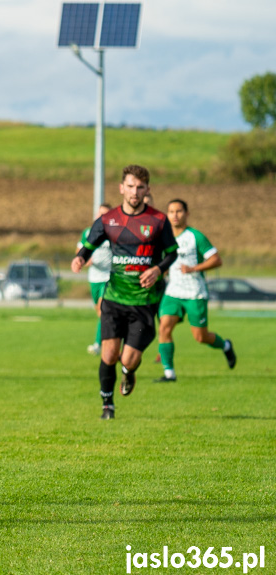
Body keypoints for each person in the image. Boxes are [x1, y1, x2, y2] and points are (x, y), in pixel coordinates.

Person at [71, 165, 178, 420]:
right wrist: (79, 258)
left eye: (140, 187)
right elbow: (88, 245)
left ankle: (129, 374)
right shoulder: (108, 220)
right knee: (109, 354)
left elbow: (172, 253)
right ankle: (107, 404)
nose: (135, 191)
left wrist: (157, 269)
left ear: (147, 190)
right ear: (121, 188)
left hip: (143, 302)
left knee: (128, 360)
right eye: (130, 186)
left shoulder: (158, 220)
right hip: (114, 299)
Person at [154, 199, 236, 382]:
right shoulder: (164, 236)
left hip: (194, 293)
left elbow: (216, 260)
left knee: (201, 336)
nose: (175, 215)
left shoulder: (195, 236)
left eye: (179, 211)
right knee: (164, 328)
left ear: (187, 214)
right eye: (171, 211)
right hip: (173, 292)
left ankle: (226, 345)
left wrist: (194, 268)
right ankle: (169, 373)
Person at [77, 203, 113, 356]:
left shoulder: (114, 233)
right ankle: (112, 336)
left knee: (103, 310)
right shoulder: (89, 232)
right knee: (100, 312)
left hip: (109, 276)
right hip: (94, 277)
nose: (101, 217)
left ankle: (99, 343)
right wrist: (84, 258)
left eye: (105, 214)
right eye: (100, 214)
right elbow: (79, 249)